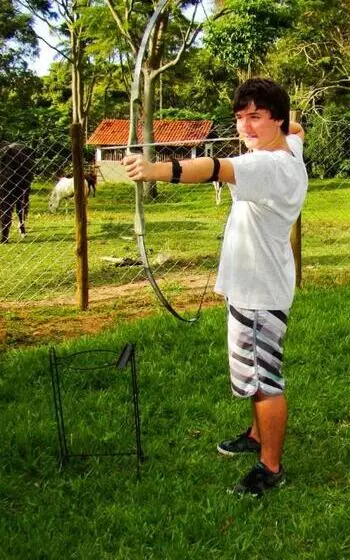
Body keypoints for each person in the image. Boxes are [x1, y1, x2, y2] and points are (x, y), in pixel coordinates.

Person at [122, 78, 307, 496]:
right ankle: (257, 436)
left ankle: (270, 467)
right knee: (253, 373)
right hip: (254, 285)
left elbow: (214, 168)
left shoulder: (268, 166)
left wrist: (155, 170)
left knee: (264, 381)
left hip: (260, 291)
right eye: (240, 118)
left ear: (275, 117)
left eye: (256, 117)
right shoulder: (288, 148)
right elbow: (298, 131)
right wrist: (289, 126)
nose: (245, 126)